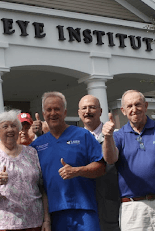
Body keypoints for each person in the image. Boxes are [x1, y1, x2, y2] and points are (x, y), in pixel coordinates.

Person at [31, 91, 106, 231]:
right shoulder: (37, 145)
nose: (53, 113)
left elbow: (101, 167)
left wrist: (78, 171)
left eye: (57, 109)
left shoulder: (83, 135)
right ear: (43, 114)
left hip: (84, 210)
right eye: (49, 110)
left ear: (65, 112)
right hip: (54, 214)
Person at [102, 89, 155, 231]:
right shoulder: (119, 135)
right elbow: (110, 159)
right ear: (123, 110)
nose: (134, 109)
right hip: (133, 207)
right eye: (129, 106)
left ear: (146, 106)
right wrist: (108, 137)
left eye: (138, 104)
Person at [0, 110, 51, 231]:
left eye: (14, 126)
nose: (10, 129)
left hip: (34, 223)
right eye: (5, 126)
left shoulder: (32, 153)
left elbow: (42, 188)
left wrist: (47, 220)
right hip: (3, 225)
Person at [78, 95, 120, 231]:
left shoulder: (116, 135)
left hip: (112, 208)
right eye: (84, 108)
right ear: (79, 113)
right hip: (84, 207)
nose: (87, 111)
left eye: (92, 107)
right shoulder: (72, 140)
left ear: (101, 111)